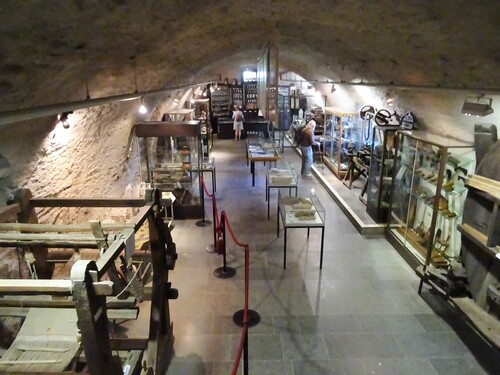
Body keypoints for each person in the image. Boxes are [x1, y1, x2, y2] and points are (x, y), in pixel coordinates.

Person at [299, 112, 320, 178]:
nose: (314, 128)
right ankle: (306, 174)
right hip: (307, 147)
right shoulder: (310, 131)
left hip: (302, 146)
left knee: (304, 160)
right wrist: (317, 143)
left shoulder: (304, 129)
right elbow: (312, 142)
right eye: (314, 126)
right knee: (309, 160)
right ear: (312, 125)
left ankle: (303, 172)